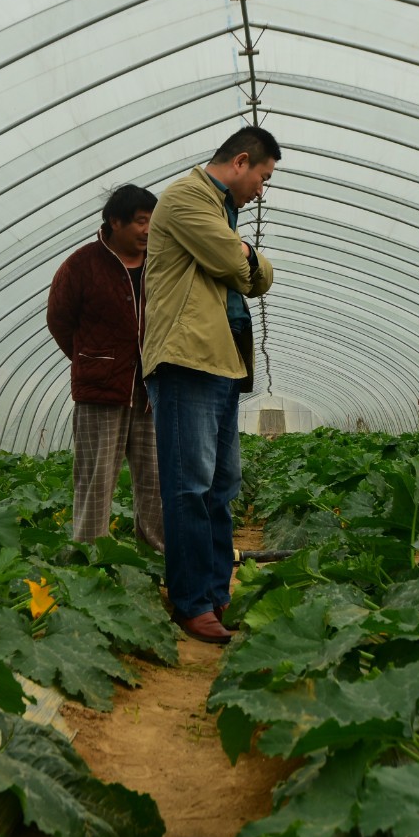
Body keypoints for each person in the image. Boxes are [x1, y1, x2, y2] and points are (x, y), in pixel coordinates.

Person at [142, 126, 278, 645]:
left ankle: (217, 594)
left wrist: (245, 254)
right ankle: (190, 601)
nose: (261, 190)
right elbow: (231, 263)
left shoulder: (223, 213)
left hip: (221, 361)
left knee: (222, 487)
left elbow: (259, 277)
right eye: (262, 177)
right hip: (186, 359)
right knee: (190, 485)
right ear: (240, 162)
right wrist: (241, 255)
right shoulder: (184, 198)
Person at [46, 184, 165, 552]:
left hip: (151, 391)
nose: (149, 230)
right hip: (100, 393)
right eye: (142, 222)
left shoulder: (159, 265)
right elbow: (59, 320)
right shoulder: (82, 264)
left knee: (156, 483)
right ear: (116, 221)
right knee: (96, 482)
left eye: (153, 222)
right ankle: (89, 558)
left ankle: (159, 558)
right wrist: (91, 360)